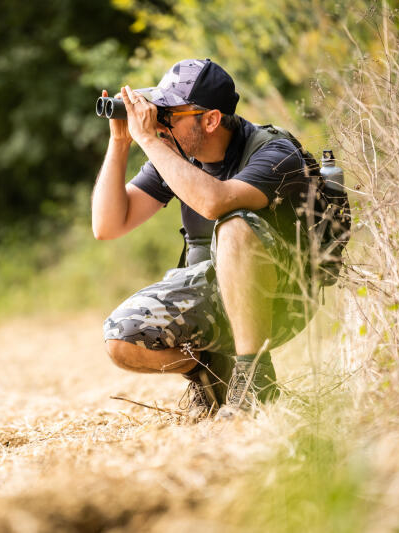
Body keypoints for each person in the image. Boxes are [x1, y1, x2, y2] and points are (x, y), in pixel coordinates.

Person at [92, 59, 317, 417]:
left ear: (210, 120)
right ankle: (214, 374)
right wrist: (120, 143)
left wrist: (149, 139)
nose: (160, 121)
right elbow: (107, 225)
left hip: (283, 295)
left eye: (170, 113)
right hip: (216, 291)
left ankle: (253, 382)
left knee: (234, 226)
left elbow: (216, 202)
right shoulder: (178, 156)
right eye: (158, 110)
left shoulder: (274, 152)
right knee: (121, 340)